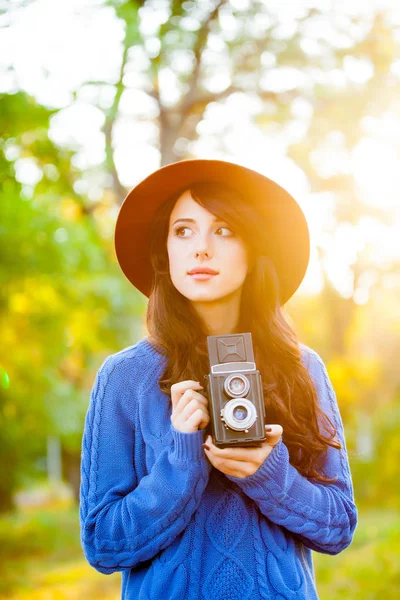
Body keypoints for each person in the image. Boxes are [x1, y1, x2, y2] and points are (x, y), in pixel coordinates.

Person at [79, 159, 358, 600]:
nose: (201, 249)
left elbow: (339, 525)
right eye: (183, 231)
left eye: (224, 230)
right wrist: (181, 462)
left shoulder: (302, 367)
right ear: (164, 250)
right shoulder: (124, 377)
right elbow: (103, 543)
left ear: (254, 247)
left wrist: (269, 475)